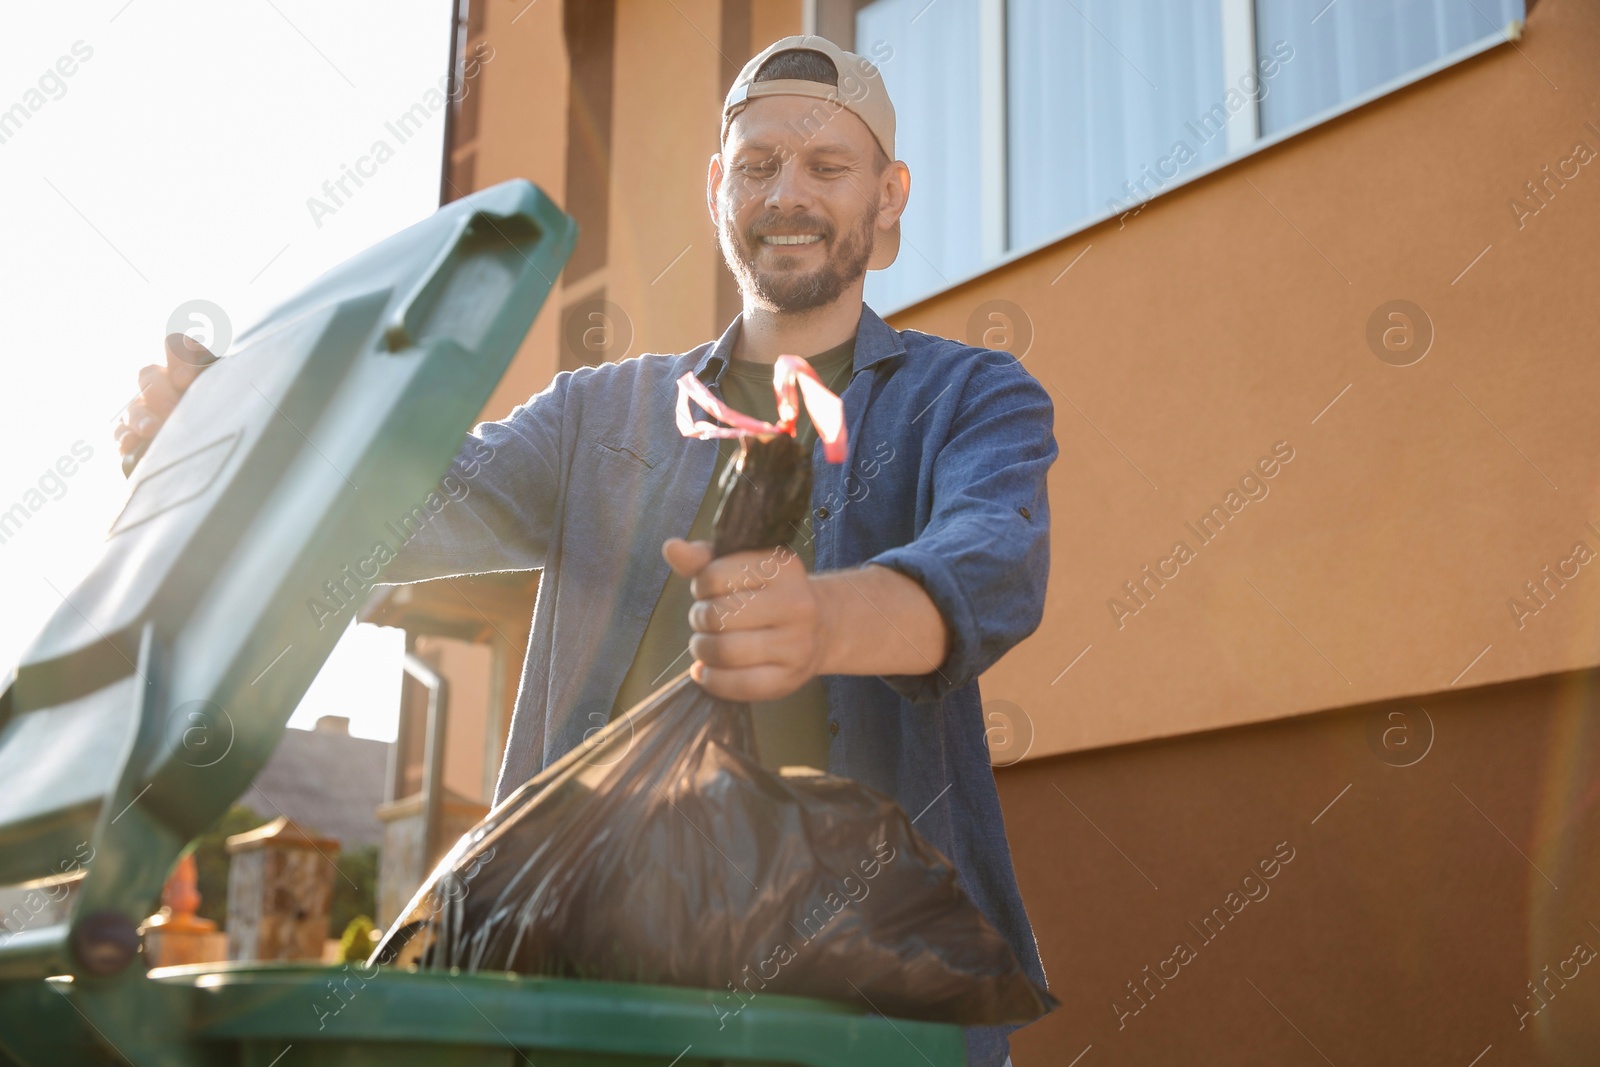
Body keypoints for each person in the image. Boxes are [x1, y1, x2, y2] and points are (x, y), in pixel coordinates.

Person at [118, 35, 1056, 1067]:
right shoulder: (597, 414)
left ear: (888, 198)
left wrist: (822, 619)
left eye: (827, 166)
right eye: (756, 165)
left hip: (865, 1014)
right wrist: (233, 451)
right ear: (716, 190)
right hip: (588, 1006)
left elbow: (990, 560)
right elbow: (404, 508)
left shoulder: (969, 397)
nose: (788, 193)